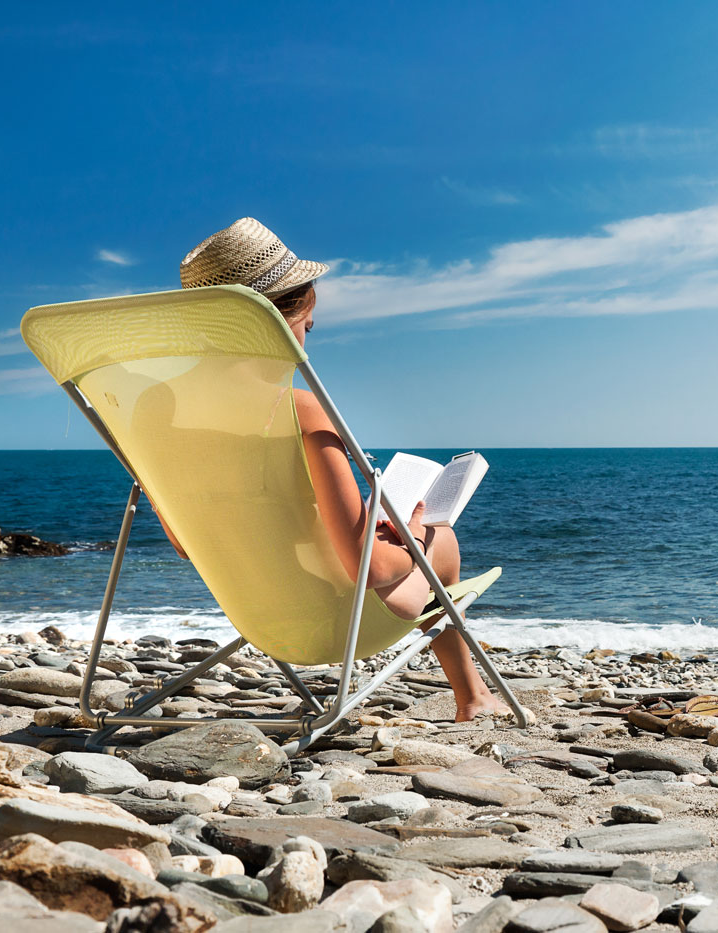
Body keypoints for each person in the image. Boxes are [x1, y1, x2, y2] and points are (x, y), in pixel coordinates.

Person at [170, 218, 511, 721]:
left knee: (386, 537)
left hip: (259, 617)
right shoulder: (300, 410)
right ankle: (473, 697)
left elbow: (187, 544)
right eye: (307, 326)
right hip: (340, 626)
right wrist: (411, 533)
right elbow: (368, 570)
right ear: (276, 323)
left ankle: (476, 695)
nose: (307, 340)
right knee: (443, 538)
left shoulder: (161, 418)